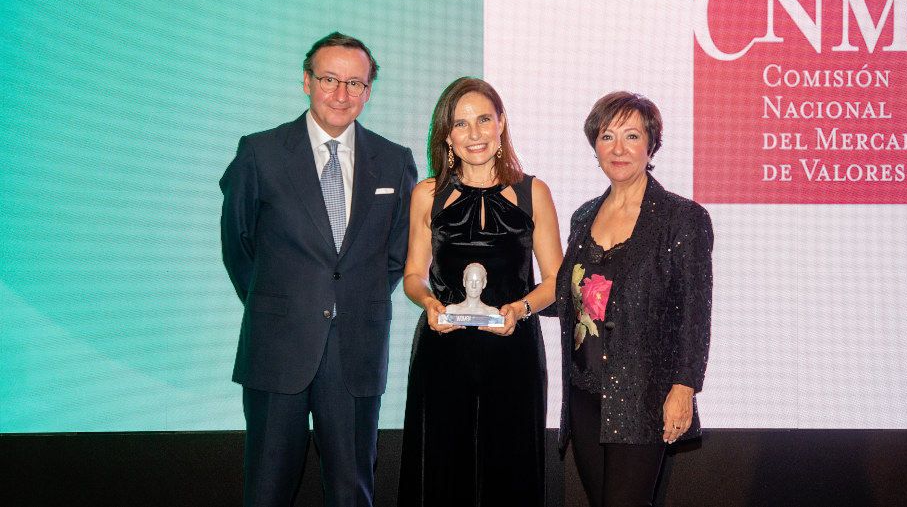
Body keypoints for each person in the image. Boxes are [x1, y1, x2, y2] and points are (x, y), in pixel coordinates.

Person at [219, 32, 417, 507]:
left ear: (368, 91)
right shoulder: (259, 153)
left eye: (355, 83)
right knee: (266, 490)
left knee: (353, 492)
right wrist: (283, 307)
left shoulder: (394, 161)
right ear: (306, 81)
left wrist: (347, 303)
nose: (341, 94)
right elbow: (238, 245)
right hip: (276, 350)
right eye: (329, 79)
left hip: (356, 354)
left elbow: (397, 255)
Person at [397, 77, 563, 507]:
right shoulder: (426, 195)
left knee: (511, 470)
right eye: (461, 124)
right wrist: (429, 303)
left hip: (514, 350)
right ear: (447, 135)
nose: (474, 134)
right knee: (441, 469)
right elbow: (413, 274)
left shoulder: (533, 192)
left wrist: (521, 308)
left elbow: (555, 281)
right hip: (443, 349)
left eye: (484, 120)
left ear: (502, 123)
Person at [554, 92, 713, 507]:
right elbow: (578, 298)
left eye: (631, 135)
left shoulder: (682, 218)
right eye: (608, 136)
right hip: (585, 393)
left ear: (651, 145)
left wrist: (684, 388)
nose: (619, 148)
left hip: (644, 394)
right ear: (595, 145)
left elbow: (695, 314)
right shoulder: (583, 215)